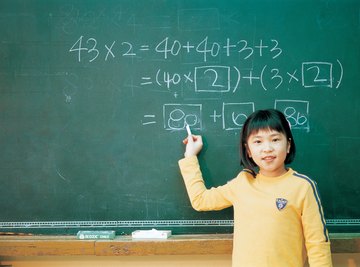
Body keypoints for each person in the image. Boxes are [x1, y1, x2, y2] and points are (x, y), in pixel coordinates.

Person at [178, 109, 332, 267]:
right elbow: (200, 200)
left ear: (288, 145)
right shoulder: (242, 183)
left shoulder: (303, 186)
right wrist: (190, 156)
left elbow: (317, 243)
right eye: (258, 142)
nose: (267, 148)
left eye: (275, 139)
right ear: (248, 150)